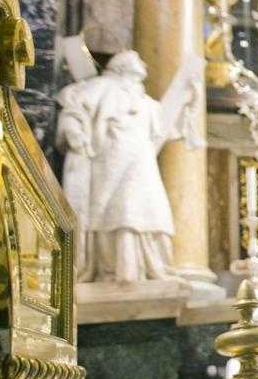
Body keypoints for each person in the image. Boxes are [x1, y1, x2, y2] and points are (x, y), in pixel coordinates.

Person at [55, 50, 176, 282]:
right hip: (111, 158)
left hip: (141, 160)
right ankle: (114, 267)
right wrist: (72, 130)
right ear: (120, 66)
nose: (143, 62)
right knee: (113, 209)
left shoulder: (144, 99)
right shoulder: (103, 85)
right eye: (136, 58)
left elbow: (165, 123)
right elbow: (73, 106)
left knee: (148, 207)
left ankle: (146, 265)